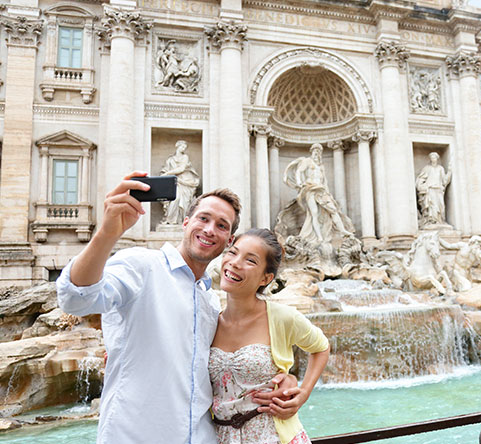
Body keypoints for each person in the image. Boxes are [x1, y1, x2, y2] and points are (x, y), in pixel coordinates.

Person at [56, 172, 297, 444]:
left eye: (221, 225)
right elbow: (76, 299)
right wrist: (107, 233)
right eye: (203, 219)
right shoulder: (141, 266)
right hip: (135, 435)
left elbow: (224, 370)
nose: (209, 230)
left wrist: (284, 382)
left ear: (229, 240)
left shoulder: (209, 300)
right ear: (185, 222)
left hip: (201, 436)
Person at [210, 228, 330, 444]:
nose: (235, 263)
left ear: (266, 278)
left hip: (275, 437)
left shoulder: (282, 317)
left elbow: (321, 347)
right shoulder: (208, 320)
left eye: (250, 260)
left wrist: (303, 392)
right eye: (233, 252)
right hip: (220, 437)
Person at [284, 143, 352, 244]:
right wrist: (299, 182)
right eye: (315, 151)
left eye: (319, 151)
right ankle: (319, 237)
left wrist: (328, 193)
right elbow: (299, 171)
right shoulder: (307, 161)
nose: (317, 153)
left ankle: (342, 230)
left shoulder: (321, 166)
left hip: (321, 190)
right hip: (310, 189)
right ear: (312, 152)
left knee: (333, 210)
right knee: (314, 213)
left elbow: (325, 181)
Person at [160, 140, 201, 225]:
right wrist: (165, 174)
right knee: (175, 198)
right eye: (182, 147)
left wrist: (167, 174)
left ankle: (180, 221)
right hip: (173, 182)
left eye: (184, 148)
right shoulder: (170, 159)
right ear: (177, 146)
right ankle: (170, 220)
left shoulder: (185, 157)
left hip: (184, 181)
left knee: (181, 200)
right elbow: (165, 170)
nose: (183, 149)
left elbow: (181, 169)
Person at [415, 152, 451, 226]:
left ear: (437, 158)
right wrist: (422, 186)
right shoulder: (427, 168)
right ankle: (431, 221)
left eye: (434, 157)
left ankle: (439, 220)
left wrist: (449, 172)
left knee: (440, 206)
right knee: (431, 206)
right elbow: (420, 179)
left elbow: (444, 180)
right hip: (430, 190)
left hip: (439, 190)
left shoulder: (440, 168)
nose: (433, 159)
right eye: (431, 158)